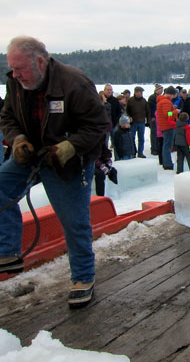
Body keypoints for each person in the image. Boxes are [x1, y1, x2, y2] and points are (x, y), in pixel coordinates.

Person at [0, 36, 110, 307]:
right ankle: (8, 251)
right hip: (31, 152)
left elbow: (99, 125)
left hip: (68, 160)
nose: (15, 74)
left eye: (19, 68)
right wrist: (17, 140)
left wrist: (70, 147)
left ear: (39, 62)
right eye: (12, 68)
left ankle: (83, 278)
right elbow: (7, 117)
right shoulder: (15, 82)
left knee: (74, 221)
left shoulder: (74, 83)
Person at [156, 86, 179, 170]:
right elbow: (167, 114)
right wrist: (176, 111)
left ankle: (166, 162)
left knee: (166, 145)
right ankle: (167, 163)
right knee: (167, 146)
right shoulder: (166, 102)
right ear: (171, 94)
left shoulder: (162, 101)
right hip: (168, 126)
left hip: (164, 125)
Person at [125, 86, 150, 158]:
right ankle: (133, 152)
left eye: (141, 92)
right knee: (132, 138)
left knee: (141, 138)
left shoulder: (144, 101)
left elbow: (148, 112)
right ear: (135, 92)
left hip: (141, 122)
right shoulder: (130, 100)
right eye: (139, 92)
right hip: (133, 122)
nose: (140, 93)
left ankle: (140, 152)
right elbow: (127, 111)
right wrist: (129, 118)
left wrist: (148, 121)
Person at [147, 84, 163, 155]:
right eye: (160, 89)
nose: (161, 91)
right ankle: (154, 148)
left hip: (160, 118)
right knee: (154, 133)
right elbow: (150, 108)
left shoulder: (162, 97)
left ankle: (158, 148)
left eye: (162, 89)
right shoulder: (152, 97)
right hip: (154, 118)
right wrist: (151, 116)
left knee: (159, 134)